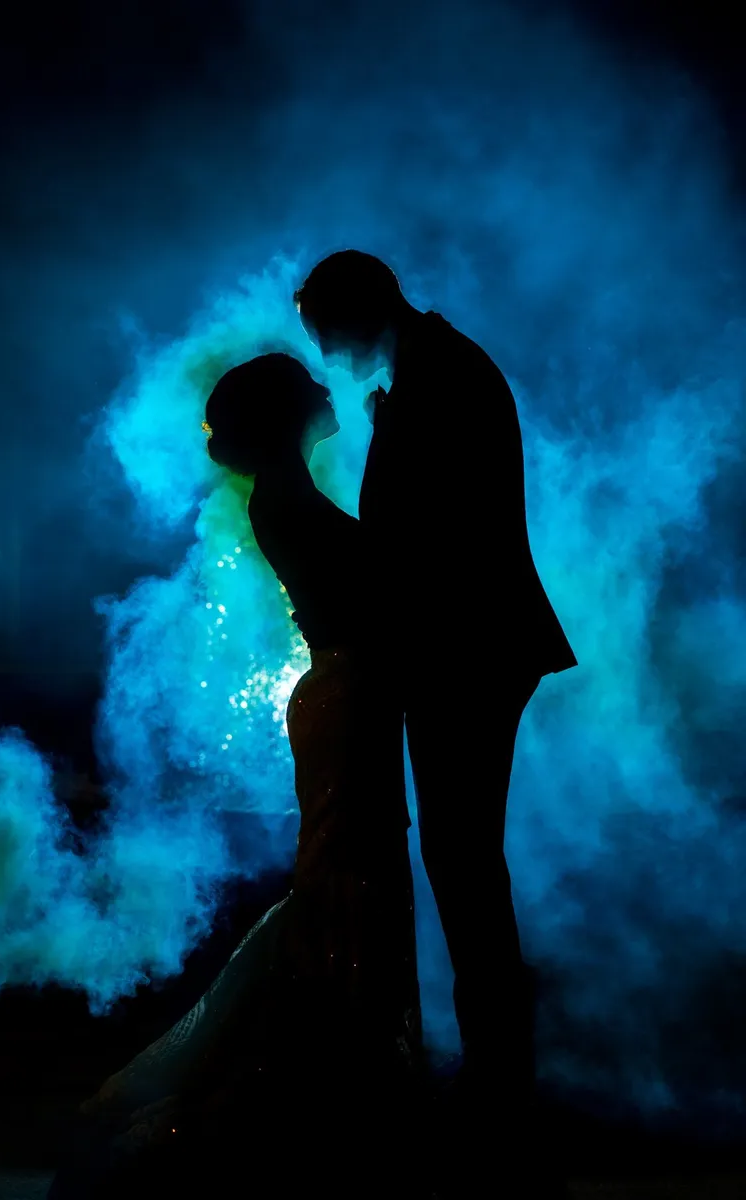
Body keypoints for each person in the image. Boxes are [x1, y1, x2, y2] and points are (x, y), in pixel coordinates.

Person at [48, 353, 425, 1200]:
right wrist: (395, 459)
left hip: (347, 695)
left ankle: (338, 1085)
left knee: (348, 874)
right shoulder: (284, 498)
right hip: (347, 698)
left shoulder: (285, 492)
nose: (326, 392)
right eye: (309, 388)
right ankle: (319, 1094)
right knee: (349, 876)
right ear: (286, 414)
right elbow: (381, 575)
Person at [294, 250, 578, 1191]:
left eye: (326, 333)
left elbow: (425, 542)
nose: (328, 356)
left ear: (356, 312)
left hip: (466, 652)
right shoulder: (435, 367)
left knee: (463, 862)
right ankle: (496, 1076)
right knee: (463, 861)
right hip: (466, 651)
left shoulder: (441, 378)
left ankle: (499, 1086)